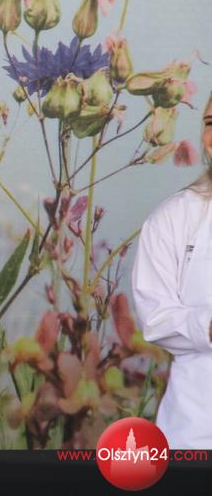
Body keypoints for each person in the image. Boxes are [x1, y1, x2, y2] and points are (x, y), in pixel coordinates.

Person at [131, 93, 212, 449]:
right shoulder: (174, 218)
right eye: (210, 123)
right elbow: (156, 318)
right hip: (197, 433)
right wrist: (207, 326)